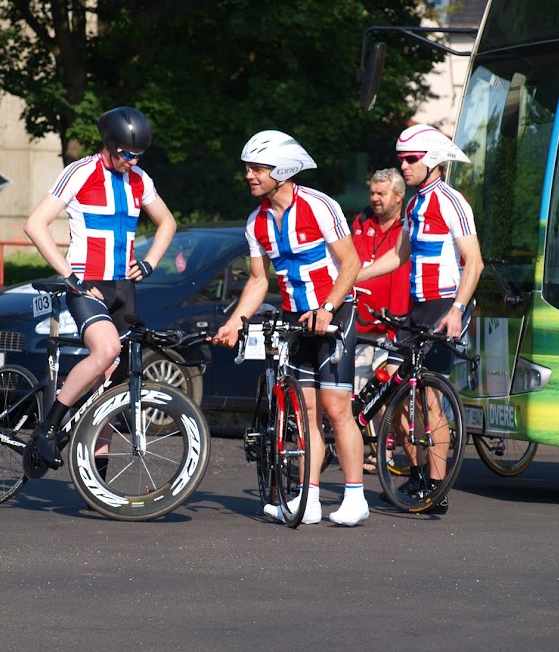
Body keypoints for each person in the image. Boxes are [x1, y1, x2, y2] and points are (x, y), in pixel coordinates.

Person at [214, 130, 367, 527]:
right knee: (306, 412)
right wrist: (234, 322)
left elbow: (350, 264)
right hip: (295, 318)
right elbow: (258, 281)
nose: (249, 175)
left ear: (282, 171)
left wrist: (328, 308)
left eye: (257, 168)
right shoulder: (256, 221)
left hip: (336, 312)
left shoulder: (319, 206)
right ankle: (309, 498)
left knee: (337, 410)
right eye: (247, 168)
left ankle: (355, 497)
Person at [22, 106, 176, 477]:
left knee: (115, 386)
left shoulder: (140, 179)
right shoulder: (80, 172)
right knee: (106, 349)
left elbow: (168, 222)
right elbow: (35, 224)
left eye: (138, 155)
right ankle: (47, 426)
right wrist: (68, 274)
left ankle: (98, 484)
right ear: (108, 144)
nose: (131, 161)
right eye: (125, 153)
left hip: (123, 287)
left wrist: (151, 261)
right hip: (86, 284)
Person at [355, 124, 484, 514]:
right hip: (415, 308)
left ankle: (436, 489)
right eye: (401, 160)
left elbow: (474, 262)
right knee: (395, 391)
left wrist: (458, 311)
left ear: (431, 161)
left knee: (430, 399)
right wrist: (349, 277)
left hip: (444, 304)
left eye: (411, 160)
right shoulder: (413, 204)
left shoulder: (451, 201)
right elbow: (397, 256)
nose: (404, 166)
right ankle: (417, 475)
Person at [351, 168, 411, 473]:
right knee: (364, 390)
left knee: (391, 389)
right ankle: (379, 447)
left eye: (381, 193)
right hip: (363, 322)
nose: (374, 198)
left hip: (397, 323)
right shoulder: (361, 223)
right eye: (372, 193)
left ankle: (389, 448)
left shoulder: (408, 226)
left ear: (398, 196)